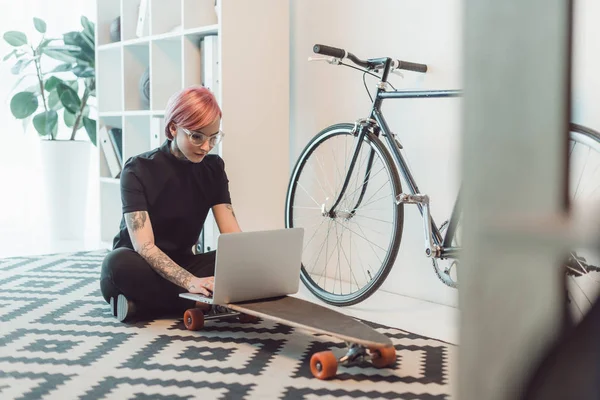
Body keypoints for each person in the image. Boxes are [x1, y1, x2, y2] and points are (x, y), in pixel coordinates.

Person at [99, 86, 241, 322]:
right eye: (197, 136)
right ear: (174, 128)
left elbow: (232, 236)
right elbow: (144, 247)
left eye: (213, 138)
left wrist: (253, 265)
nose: (205, 147)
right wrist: (190, 282)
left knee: (232, 258)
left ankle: (146, 305)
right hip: (139, 263)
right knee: (117, 263)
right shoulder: (137, 169)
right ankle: (199, 301)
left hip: (184, 263)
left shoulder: (213, 168)